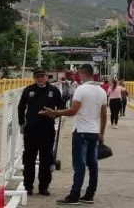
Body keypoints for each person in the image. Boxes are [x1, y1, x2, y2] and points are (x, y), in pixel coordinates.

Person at [39, 64, 107, 205]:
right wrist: (101, 133)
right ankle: (89, 195)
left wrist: (54, 112)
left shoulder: (81, 90)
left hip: (81, 132)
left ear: (83, 73)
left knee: (79, 165)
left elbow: (72, 111)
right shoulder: (101, 91)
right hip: (94, 132)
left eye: (78, 73)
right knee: (93, 165)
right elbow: (104, 115)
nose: (77, 75)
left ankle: (74, 196)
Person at [17, 67, 65, 196]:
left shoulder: (53, 90)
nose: (40, 78)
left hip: (47, 130)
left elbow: (61, 107)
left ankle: (44, 186)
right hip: (31, 130)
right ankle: (28, 186)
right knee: (29, 159)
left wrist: (54, 115)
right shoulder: (28, 90)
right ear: (34, 77)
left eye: (42, 76)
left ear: (46, 77)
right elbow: (21, 107)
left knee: (46, 159)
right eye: (37, 76)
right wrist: (21, 123)